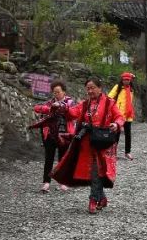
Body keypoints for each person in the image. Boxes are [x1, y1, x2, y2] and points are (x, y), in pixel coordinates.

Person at [53, 77, 125, 214]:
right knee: (94, 173)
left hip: (103, 144)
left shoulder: (110, 103)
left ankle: (94, 199)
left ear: (100, 88)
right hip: (87, 144)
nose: (90, 91)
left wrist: (116, 124)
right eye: (88, 88)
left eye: (92, 88)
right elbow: (73, 112)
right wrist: (62, 107)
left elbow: (119, 117)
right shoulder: (85, 105)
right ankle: (99, 198)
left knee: (97, 172)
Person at [32, 80, 75, 193]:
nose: (56, 94)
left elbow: (72, 113)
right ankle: (46, 183)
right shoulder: (49, 103)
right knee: (49, 159)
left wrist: (61, 106)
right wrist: (50, 108)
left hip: (65, 134)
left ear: (64, 92)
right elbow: (37, 108)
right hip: (51, 134)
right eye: (54, 92)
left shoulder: (70, 102)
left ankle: (62, 182)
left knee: (62, 159)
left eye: (58, 92)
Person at [108, 71, 136, 160]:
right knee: (116, 134)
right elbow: (109, 97)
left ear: (130, 80)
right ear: (122, 80)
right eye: (124, 80)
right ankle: (113, 152)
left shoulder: (131, 89)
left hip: (128, 115)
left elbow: (131, 101)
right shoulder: (118, 87)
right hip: (118, 115)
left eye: (128, 80)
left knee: (128, 134)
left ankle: (127, 152)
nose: (126, 81)